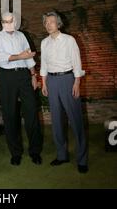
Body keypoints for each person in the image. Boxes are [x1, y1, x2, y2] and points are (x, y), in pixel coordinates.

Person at [0, 11, 43, 166]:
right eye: (4, 21)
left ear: (15, 21)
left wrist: (33, 75)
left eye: (10, 21)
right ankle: (15, 153)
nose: (7, 23)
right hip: (7, 77)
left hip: (23, 75)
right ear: (1, 22)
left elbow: (29, 57)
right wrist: (21, 56)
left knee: (32, 111)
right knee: (10, 114)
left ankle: (35, 151)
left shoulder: (22, 36)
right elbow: (2, 58)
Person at [40, 11, 88, 173]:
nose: (48, 25)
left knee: (76, 120)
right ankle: (62, 155)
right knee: (56, 121)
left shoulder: (69, 40)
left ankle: (82, 159)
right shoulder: (44, 43)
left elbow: (77, 62)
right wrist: (44, 83)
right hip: (51, 82)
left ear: (58, 24)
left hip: (68, 80)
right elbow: (44, 65)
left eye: (51, 22)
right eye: (46, 22)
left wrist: (77, 82)